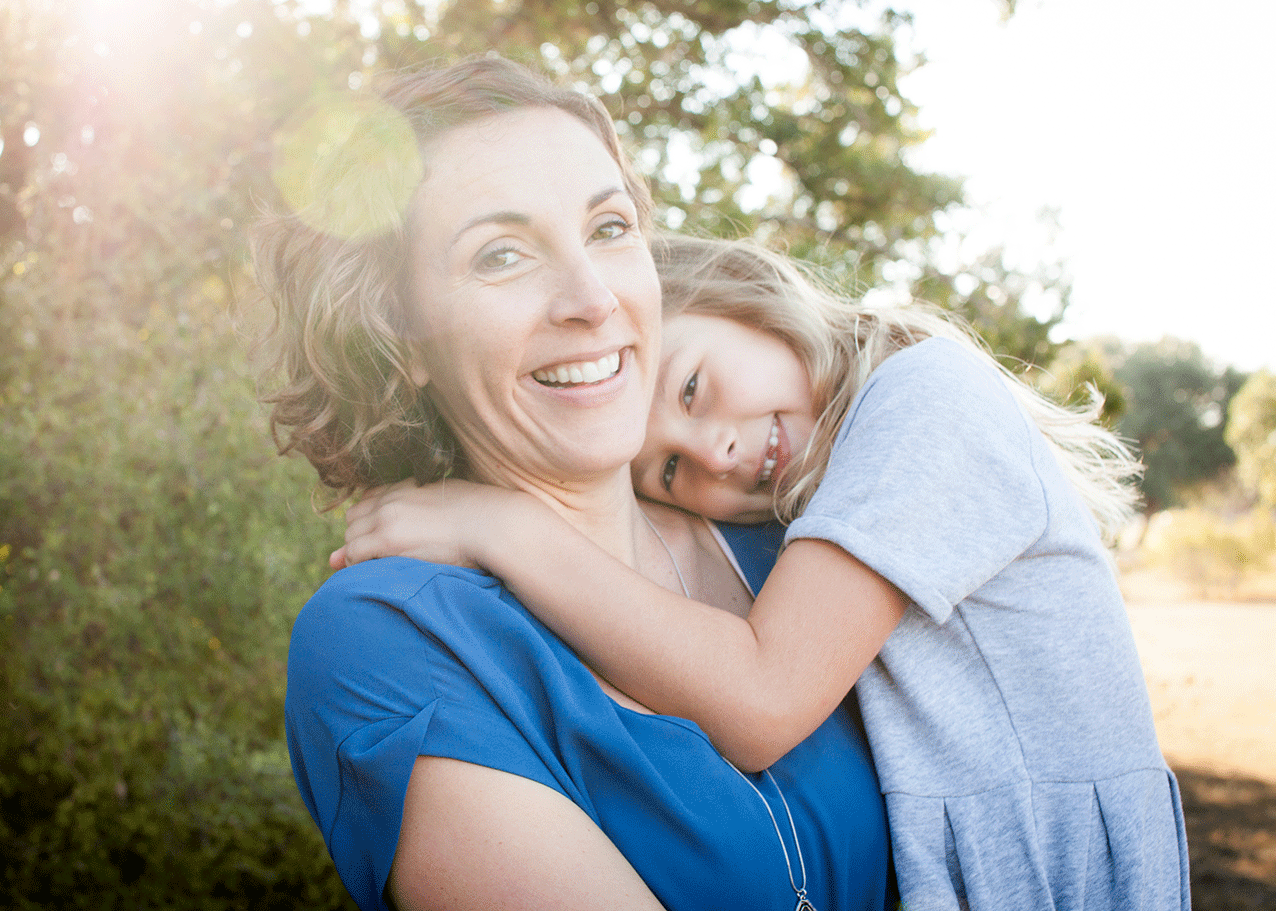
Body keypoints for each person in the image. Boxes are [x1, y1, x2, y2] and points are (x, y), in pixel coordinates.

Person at [340, 235, 1193, 910]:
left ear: (740, 297)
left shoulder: (924, 398)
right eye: (670, 471)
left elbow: (763, 697)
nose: (716, 452)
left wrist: (502, 527)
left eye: (691, 389)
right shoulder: (826, 502)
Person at [257, 62, 896, 910]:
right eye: (501, 255)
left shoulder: (790, 528)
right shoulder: (392, 638)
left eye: (609, 227)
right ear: (397, 336)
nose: (592, 300)